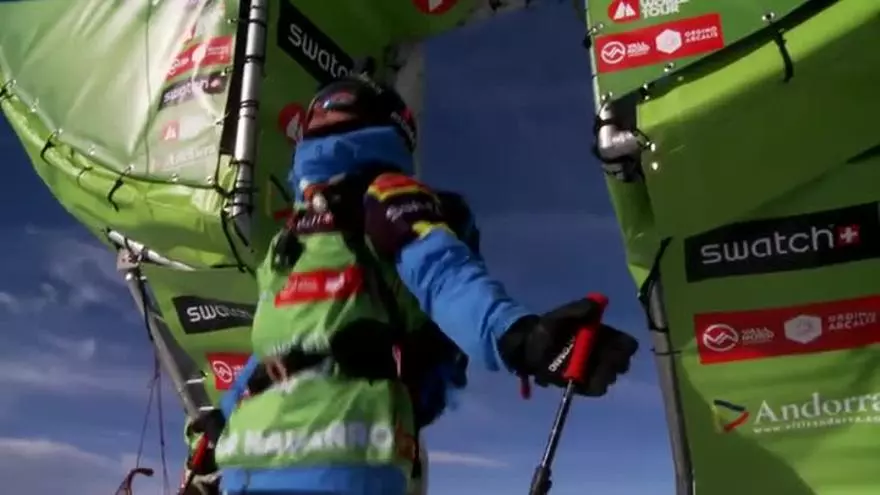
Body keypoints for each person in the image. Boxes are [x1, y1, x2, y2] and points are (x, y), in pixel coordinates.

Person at [190, 71, 639, 495]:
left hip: (340, 457)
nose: (324, 112)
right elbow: (280, 348)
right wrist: (223, 421)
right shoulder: (292, 239)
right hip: (249, 465)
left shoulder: (385, 194)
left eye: (341, 101)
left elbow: (442, 272)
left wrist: (519, 337)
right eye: (317, 108)